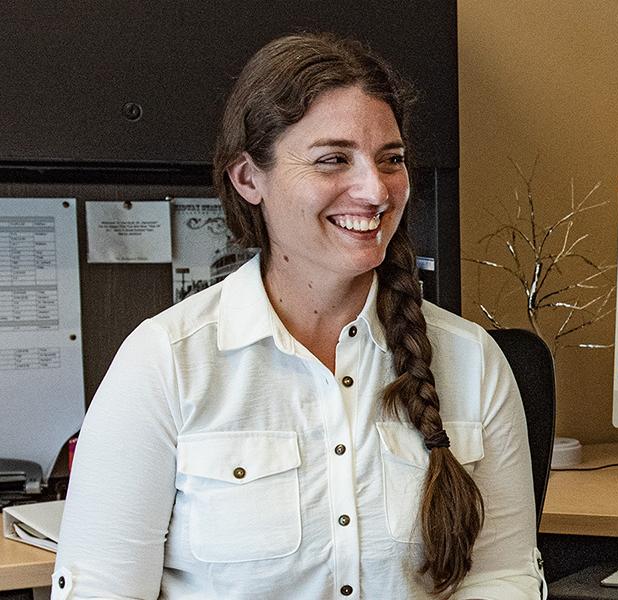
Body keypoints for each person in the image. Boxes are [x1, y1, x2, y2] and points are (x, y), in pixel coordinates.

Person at [52, 34, 545, 599]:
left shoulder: (472, 358)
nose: (375, 189)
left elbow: (501, 579)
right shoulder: (164, 362)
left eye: (391, 160)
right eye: (333, 159)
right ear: (248, 178)